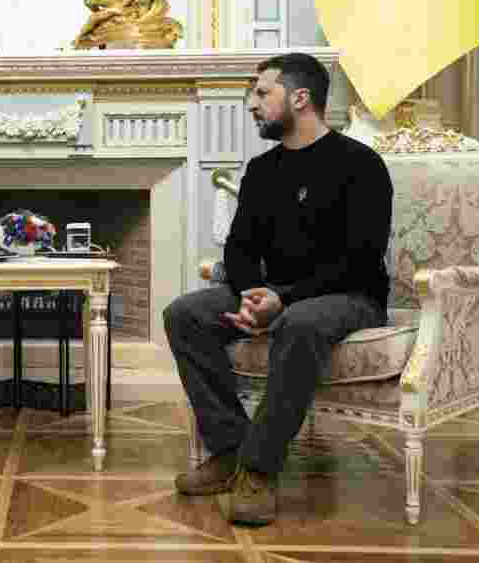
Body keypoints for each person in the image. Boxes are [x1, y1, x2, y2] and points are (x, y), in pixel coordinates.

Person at [163, 52, 392, 526]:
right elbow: (240, 249)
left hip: (349, 295)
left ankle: (259, 469)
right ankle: (230, 451)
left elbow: (359, 260)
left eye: (263, 92)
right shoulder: (263, 170)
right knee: (184, 314)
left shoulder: (361, 165)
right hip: (274, 292)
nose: (252, 103)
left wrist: (282, 300)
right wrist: (251, 294)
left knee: (300, 322)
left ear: (301, 97)